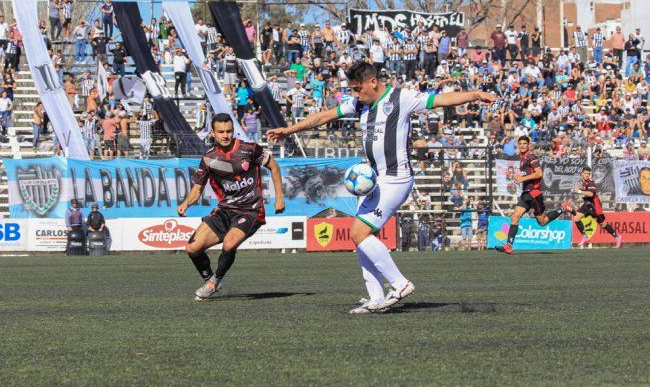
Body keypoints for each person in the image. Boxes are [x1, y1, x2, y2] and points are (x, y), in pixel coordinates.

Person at [266, 61, 495, 314]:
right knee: (362, 237)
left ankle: (400, 283)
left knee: (359, 233)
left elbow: (441, 99)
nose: (355, 95)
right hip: (377, 179)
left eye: (357, 89)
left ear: (372, 82)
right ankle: (375, 298)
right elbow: (324, 116)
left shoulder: (401, 97)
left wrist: (474, 95)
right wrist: (289, 130)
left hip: (396, 178)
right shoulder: (359, 104)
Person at [177, 113, 285, 301]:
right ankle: (211, 279)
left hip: (250, 209)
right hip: (225, 210)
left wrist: (279, 198)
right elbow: (198, 188)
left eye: (229, 131)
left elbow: (274, 167)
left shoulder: (250, 149)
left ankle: (213, 283)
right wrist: (186, 203)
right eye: (221, 132)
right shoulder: (209, 158)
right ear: (213, 133)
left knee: (229, 243)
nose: (225, 135)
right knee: (192, 248)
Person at [496, 136, 566, 255]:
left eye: (525, 143)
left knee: (541, 221)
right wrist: (513, 177)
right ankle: (509, 245)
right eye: (520, 143)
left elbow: (539, 173)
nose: (522, 145)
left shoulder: (531, 157)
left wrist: (522, 178)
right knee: (517, 217)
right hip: (526, 193)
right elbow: (523, 176)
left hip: (534, 193)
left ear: (529, 145)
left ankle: (564, 208)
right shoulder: (522, 158)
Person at [561, 166, 622, 248]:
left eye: (588, 174)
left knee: (603, 224)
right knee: (576, 217)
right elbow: (588, 196)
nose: (587, 175)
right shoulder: (583, 183)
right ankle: (585, 236)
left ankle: (617, 237)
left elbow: (591, 194)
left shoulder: (591, 183)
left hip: (594, 207)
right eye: (585, 173)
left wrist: (579, 191)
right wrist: (581, 198)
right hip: (587, 205)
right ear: (582, 173)